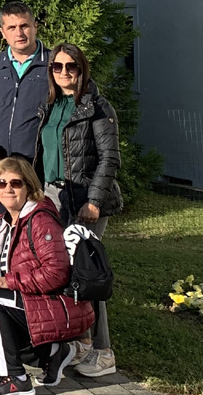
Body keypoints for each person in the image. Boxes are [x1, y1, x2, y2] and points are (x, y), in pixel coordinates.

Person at [0, 157, 94, 395]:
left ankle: (15, 378)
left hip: (56, 304)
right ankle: (53, 353)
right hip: (32, 301)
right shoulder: (8, 220)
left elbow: (56, 274)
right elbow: (2, 272)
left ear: (29, 187)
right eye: (1, 183)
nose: (8, 189)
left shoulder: (40, 219)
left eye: (16, 183)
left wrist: (7, 282)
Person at [35, 42, 122, 377]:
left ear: (83, 70)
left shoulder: (98, 107)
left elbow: (109, 158)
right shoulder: (52, 106)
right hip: (55, 198)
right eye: (57, 67)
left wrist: (95, 202)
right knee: (68, 274)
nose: (64, 73)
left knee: (89, 274)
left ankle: (104, 351)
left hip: (86, 201)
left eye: (72, 67)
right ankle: (82, 341)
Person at [0, 1, 49, 158]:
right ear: (2, 32)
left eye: (24, 26)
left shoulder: (54, 64)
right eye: (11, 28)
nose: (18, 33)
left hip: (37, 164)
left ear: (35, 26)